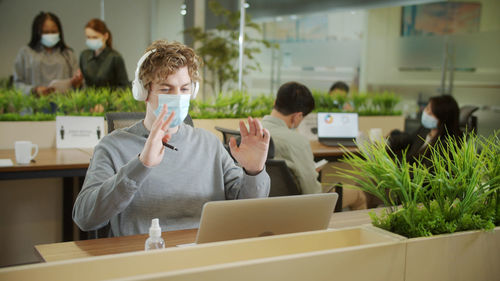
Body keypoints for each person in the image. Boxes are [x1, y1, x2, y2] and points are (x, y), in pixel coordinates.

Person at [73, 40, 271, 236]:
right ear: (144, 93)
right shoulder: (113, 146)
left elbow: (246, 211)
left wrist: (253, 172)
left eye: (184, 89)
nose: (177, 97)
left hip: (203, 255)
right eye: (166, 89)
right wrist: (141, 165)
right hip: (143, 257)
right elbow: (85, 218)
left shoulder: (209, 143)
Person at [262, 82, 367, 209]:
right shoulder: (297, 141)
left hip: (262, 206)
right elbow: (312, 192)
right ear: (297, 116)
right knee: (358, 195)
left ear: (275, 103)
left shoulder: (248, 132)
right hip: (300, 208)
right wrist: (311, 173)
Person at [13, 12, 82, 96]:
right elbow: (17, 84)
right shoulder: (25, 53)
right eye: (46, 32)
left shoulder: (67, 53)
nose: (50, 35)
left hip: (63, 105)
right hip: (35, 105)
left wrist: (77, 83)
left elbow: (78, 85)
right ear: (37, 32)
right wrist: (34, 90)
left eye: (54, 32)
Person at [388, 94, 462, 165]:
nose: (426, 113)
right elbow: (409, 139)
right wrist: (389, 140)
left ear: (443, 118)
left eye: (431, 113)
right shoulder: (425, 129)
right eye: (427, 108)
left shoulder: (445, 146)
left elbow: (425, 171)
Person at [80, 18, 129, 89]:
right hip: (89, 98)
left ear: (105, 36)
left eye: (95, 37)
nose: (91, 40)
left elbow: (125, 86)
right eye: (88, 37)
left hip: (110, 98)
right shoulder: (84, 56)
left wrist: (109, 92)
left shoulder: (115, 57)